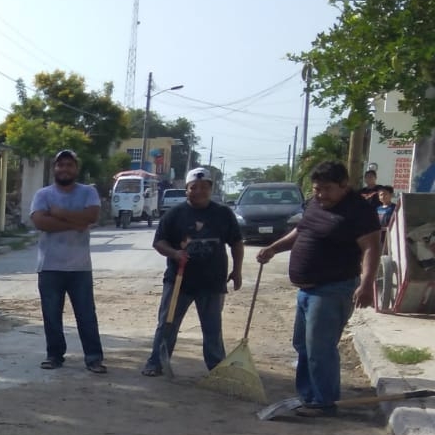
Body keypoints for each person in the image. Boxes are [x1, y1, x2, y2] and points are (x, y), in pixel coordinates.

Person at [256, 161, 381, 417]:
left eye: (326, 189)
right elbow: (301, 231)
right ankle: (308, 395)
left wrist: (367, 283)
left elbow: (371, 248)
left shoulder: (358, 211)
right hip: (306, 290)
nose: (320, 194)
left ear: (344, 186)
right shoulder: (316, 204)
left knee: (320, 347)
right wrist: (273, 248)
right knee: (303, 345)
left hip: (333, 288)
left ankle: (324, 401)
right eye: (316, 189)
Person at [142, 168, 243, 377]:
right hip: (179, 281)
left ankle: (216, 367)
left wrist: (237, 270)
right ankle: (156, 362)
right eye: (193, 187)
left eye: (204, 187)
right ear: (186, 189)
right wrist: (175, 253)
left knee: (212, 328)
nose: (198, 191)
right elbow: (159, 242)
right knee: (167, 324)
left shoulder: (223, 213)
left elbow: (236, 242)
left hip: (212, 282)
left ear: (210, 189)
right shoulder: (174, 214)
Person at [29, 149, 106, 373]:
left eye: (69, 165)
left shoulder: (88, 192)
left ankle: (93, 358)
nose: (64, 169)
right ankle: (54, 356)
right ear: (54, 168)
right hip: (49, 266)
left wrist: (60, 213)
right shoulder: (43, 194)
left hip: (80, 268)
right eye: (60, 165)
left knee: (86, 315)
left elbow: (91, 216)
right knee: (51, 316)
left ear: (76, 168)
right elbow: (41, 223)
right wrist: (75, 222)